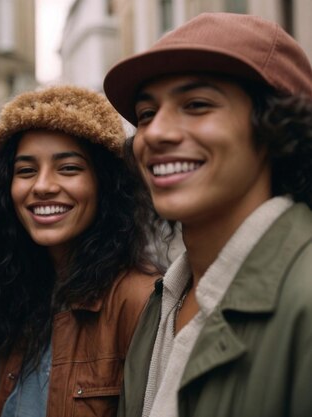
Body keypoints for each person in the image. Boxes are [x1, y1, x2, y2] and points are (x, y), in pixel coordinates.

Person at [103, 12, 312, 417]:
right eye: (146, 114)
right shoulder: (163, 300)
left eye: (196, 105)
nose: (156, 133)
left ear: (274, 128)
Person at [0, 85, 159, 417]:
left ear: (105, 184)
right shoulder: (20, 296)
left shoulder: (140, 300)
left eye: (69, 168)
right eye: (26, 171)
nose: (43, 186)